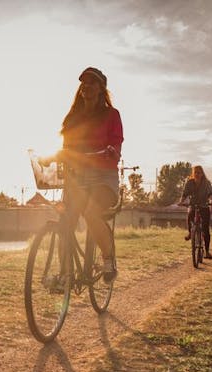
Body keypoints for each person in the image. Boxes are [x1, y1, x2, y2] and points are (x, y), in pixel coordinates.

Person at [40, 67, 123, 282]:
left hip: (103, 177)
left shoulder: (111, 115)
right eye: (83, 82)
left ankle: (108, 259)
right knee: (66, 221)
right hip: (76, 177)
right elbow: (67, 148)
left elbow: (116, 143)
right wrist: (53, 157)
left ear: (101, 88)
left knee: (92, 212)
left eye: (92, 82)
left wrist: (111, 151)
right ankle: (65, 275)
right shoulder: (72, 118)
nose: (86, 86)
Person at [178, 165, 212, 259]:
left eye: (199, 172)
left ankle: (207, 252)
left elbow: (210, 194)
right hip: (193, 204)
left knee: (206, 229)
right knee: (190, 215)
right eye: (196, 172)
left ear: (202, 174)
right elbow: (185, 194)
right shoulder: (189, 182)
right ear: (193, 174)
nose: (197, 174)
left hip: (204, 205)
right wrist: (181, 201)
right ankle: (191, 232)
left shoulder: (207, 183)